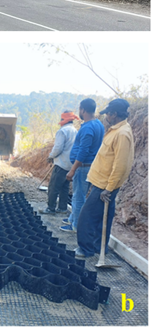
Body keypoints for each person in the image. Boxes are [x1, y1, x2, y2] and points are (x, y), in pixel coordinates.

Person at [75, 99, 135, 259]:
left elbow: (121, 165)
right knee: (103, 218)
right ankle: (97, 247)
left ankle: (85, 249)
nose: (106, 116)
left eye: (108, 113)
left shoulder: (122, 134)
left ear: (114, 114)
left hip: (104, 185)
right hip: (102, 182)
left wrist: (109, 188)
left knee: (86, 217)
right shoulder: (116, 130)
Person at [61, 98, 105, 233]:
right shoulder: (98, 124)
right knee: (79, 195)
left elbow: (83, 151)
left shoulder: (88, 128)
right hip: (90, 165)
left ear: (83, 110)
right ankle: (72, 218)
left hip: (83, 167)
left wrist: (73, 170)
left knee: (78, 197)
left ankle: (75, 225)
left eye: (80, 109)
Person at [44, 110, 79, 215]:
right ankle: (62, 208)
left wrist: (51, 156)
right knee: (64, 187)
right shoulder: (75, 131)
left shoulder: (62, 131)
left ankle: (51, 208)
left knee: (53, 187)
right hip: (71, 165)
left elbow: (58, 148)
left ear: (64, 120)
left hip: (61, 164)